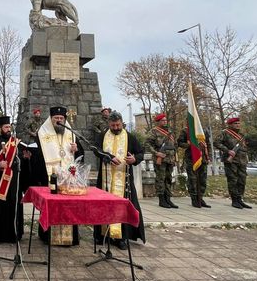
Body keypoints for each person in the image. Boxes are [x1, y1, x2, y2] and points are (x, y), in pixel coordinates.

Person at [30, 106, 84, 246]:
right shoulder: (42, 133)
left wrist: (76, 150)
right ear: (51, 119)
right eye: (56, 119)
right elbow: (36, 157)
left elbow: (80, 156)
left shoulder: (70, 134)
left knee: (68, 207)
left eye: (61, 119)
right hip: (49, 177)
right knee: (51, 206)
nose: (59, 121)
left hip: (68, 179)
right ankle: (47, 236)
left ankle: (70, 238)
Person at [93, 110, 145, 250]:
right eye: (113, 125)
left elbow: (141, 153)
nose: (115, 128)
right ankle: (102, 235)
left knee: (122, 207)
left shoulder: (130, 137)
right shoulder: (103, 135)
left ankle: (122, 238)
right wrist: (108, 156)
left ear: (122, 123)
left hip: (124, 180)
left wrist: (134, 159)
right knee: (103, 205)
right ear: (109, 124)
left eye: (117, 125)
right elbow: (95, 149)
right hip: (105, 178)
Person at [215, 117, 251, 209]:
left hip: (242, 161)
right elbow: (217, 143)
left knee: (242, 181)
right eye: (235, 123)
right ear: (230, 125)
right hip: (231, 161)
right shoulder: (225, 133)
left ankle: (240, 199)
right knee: (233, 180)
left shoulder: (242, 135)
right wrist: (227, 151)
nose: (238, 125)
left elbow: (245, 147)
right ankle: (234, 200)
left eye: (239, 123)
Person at [146, 113, 178, 209]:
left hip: (170, 159)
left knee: (168, 179)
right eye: (163, 120)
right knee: (161, 179)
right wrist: (156, 153)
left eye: (165, 120)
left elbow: (174, 144)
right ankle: (162, 200)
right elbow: (147, 144)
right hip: (160, 159)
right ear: (158, 122)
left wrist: (174, 155)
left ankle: (168, 199)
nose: (165, 122)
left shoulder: (170, 131)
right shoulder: (154, 132)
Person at [178, 126, 212, 208]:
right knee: (193, 180)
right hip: (191, 158)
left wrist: (209, 156)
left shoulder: (203, 130)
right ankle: (194, 199)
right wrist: (189, 145)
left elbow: (208, 144)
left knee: (203, 180)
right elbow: (179, 143)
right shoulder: (186, 131)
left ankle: (200, 198)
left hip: (202, 158)